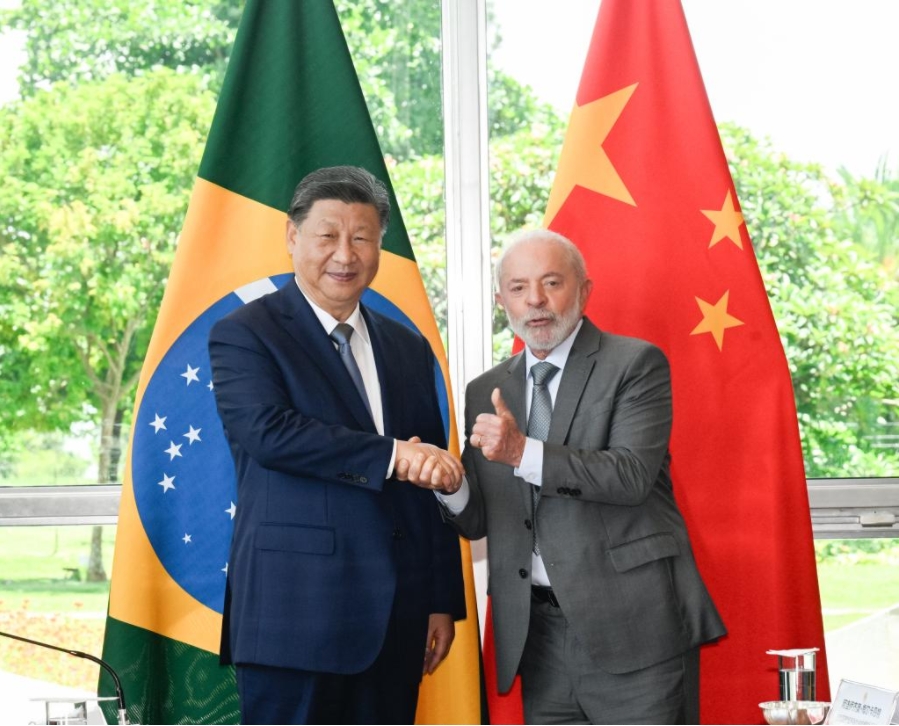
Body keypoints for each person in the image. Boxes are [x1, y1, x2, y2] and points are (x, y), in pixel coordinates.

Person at [208, 165, 467, 725]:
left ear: (379, 248)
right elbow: (269, 433)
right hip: (293, 617)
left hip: (397, 620)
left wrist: (441, 598)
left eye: (362, 238)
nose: (344, 255)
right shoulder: (245, 333)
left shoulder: (407, 346)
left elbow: (431, 478)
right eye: (327, 236)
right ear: (293, 236)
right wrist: (393, 455)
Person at [438, 229, 726, 725]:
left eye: (552, 283)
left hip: (634, 630)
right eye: (518, 287)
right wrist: (450, 486)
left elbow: (631, 475)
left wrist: (521, 450)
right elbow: (483, 518)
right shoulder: (486, 388)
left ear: (584, 291)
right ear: (500, 299)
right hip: (538, 635)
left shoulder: (634, 364)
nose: (536, 301)